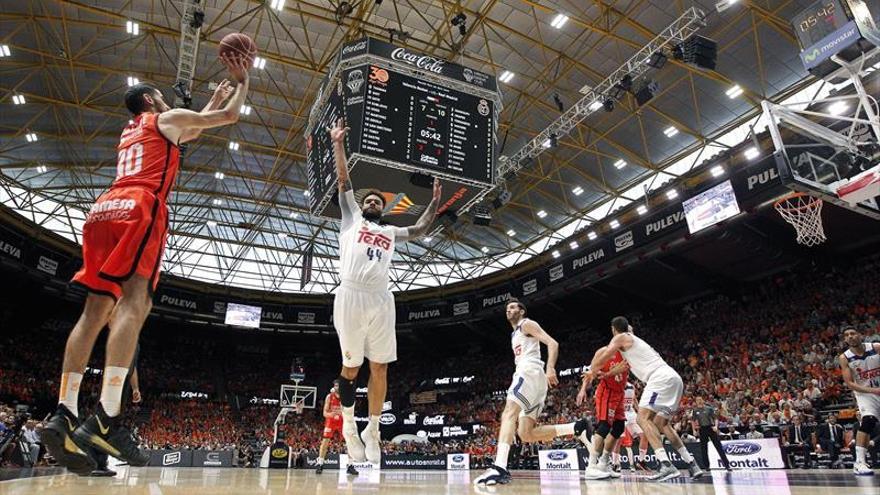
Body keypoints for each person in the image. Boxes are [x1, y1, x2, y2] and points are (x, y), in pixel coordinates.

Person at [41, 53, 251, 475]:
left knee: (94, 312)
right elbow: (228, 117)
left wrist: (209, 101)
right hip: (140, 206)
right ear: (154, 100)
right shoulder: (165, 118)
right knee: (135, 304)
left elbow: (186, 131)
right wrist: (241, 80)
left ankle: (64, 411)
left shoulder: (132, 131)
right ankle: (106, 415)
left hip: (103, 209)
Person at [327, 118, 441, 465]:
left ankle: (372, 429)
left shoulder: (391, 232)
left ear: (384, 209)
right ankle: (348, 425)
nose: (374, 202)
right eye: (370, 200)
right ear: (362, 206)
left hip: (381, 298)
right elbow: (345, 180)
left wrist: (435, 201)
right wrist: (338, 143)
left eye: (379, 201)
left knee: (381, 368)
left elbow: (421, 228)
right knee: (350, 370)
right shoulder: (351, 220)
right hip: (350, 294)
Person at [473, 299, 592, 485]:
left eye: (513, 307)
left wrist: (551, 368)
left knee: (508, 413)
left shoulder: (526, 324)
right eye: (507, 308)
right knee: (526, 434)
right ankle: (575, 428)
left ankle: (499, 467)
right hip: (535, 381)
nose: (509, 310)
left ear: (521, 311)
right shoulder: (515, 334)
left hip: (528, 371)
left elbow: (553, 343)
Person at [590, 316, 703, 481]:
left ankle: (665, 464)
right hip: (673, 378)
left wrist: (592, 368)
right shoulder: (633, 343)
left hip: (659, 378)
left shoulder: (621, 337)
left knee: (642, 419)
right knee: (662, 424)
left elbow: (605, 356)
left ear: (614, 329)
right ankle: (692, 463)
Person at [576, 348, 629, 480]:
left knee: (619, 427)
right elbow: (590, 372)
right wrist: (583, 389)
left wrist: (608, 373)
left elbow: (624, 367)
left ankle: (604, 463)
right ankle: (591, 466)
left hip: (619, 393)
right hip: (607, 392)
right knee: (604, 426)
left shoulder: (629, 352)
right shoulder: (604, 352)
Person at [839, 326, 880, 475]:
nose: (850, 336)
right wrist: (872, 390)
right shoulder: (845, 357)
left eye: (853, 333)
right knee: (868, 421)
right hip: (865, 393)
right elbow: (850, 383)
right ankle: (859, 462)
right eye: (847, 335)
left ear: (859, 335)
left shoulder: (876, 348)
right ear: (845, 339)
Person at [316, 381, 357, 475]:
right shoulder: (329, 397)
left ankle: (350, 465)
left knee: (349, 442)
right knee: (325, 442)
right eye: (335, 385)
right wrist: (332, 414)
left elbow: (351, 411)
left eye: (338, 385)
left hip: (343, 421)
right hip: (331, 421)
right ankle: (320, 464)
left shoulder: (346, 397)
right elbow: (324, 413)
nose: (336, 387)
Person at [692, 396, 731, 471]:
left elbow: (715, 418)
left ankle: (727, 465)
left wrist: (716, 426)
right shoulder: (695, 410)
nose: (699, 401)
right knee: (704, 449)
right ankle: (707, 466)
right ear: (696, 402)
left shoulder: (708, 408)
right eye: (697, 400)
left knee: (718, 446)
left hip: (711, 428)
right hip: (702, 429)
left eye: (700, 399)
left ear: (703, 400)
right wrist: (694, 430)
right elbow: (693, 420)